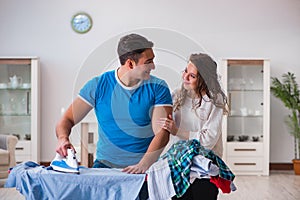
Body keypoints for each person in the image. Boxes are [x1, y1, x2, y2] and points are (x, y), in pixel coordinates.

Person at [55, 33, 173, 198]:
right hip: (105, 166)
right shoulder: (98, 85)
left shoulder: (158, 87)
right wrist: (63, 138)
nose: (153, 66)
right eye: (148, 61)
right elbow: (66, 120)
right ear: (130, 63)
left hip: (144, 167)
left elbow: (162, 132)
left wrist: (143, 164)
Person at [157, 53, 228, 200]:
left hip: (205, 168)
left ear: (204, 80)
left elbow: (208, 141)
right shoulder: (176, 96)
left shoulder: (214, 100)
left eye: (192, 76)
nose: (185, 77)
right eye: (185, 71)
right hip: (177, 165)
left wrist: (177, 131)